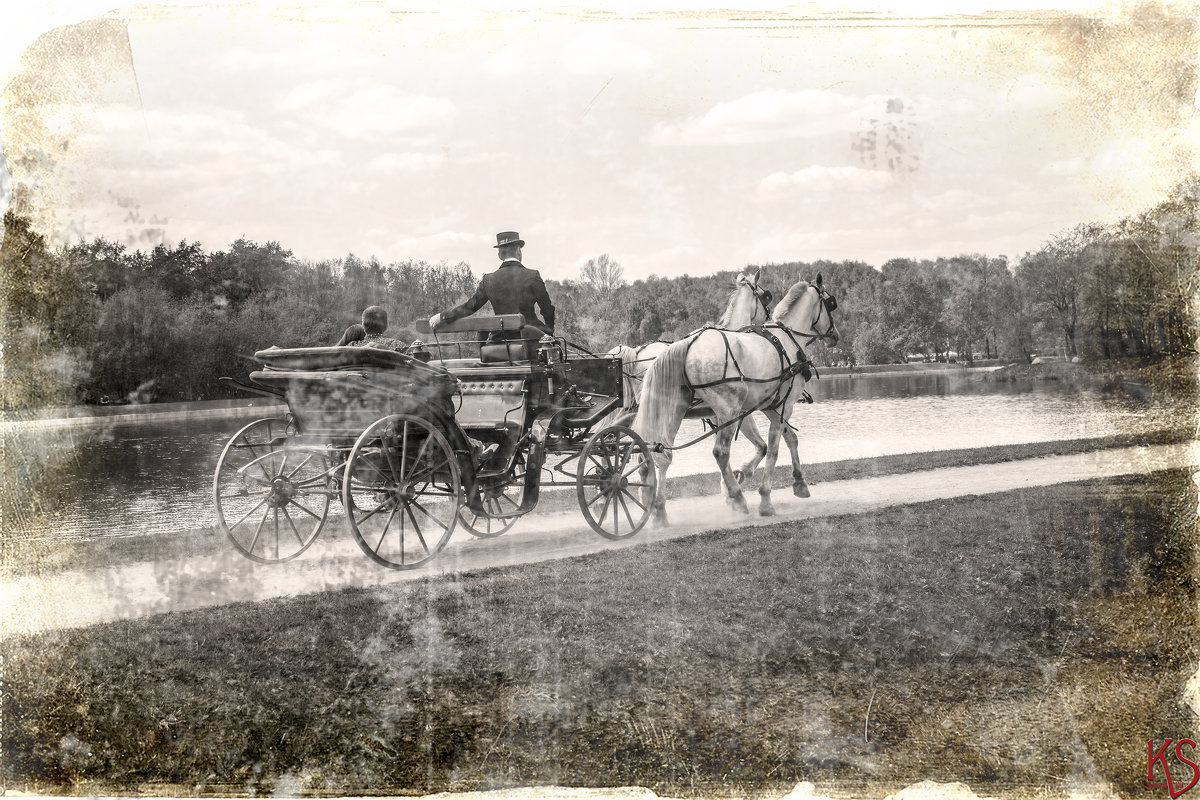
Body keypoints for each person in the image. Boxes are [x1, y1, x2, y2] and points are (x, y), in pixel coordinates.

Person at [428, 231, 555, 349]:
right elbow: (547, 309)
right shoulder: (532, 275)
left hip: (500, 339)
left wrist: (443, 316)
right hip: (531, 339)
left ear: (499, 254)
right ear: (518, 251)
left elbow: (470, 307)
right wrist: (549, 332)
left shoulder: (488, 279)